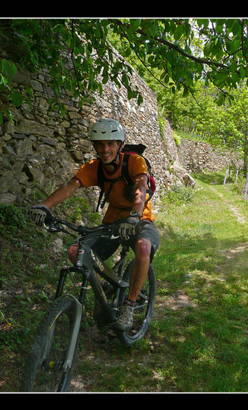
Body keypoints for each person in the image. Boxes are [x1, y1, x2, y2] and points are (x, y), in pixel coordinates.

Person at [28, 118, 160, 331]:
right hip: (112, 221)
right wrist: (44, 206)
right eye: (99, 144)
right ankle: (106, 287)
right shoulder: (94, 168)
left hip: (139, 218)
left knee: (143, 248)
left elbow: (140, 188)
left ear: (120, 145)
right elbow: (69, 187)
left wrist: (135, 215)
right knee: (75, 252)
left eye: (110, 143)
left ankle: (129, 305)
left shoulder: (135, 162)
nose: (105, 149)